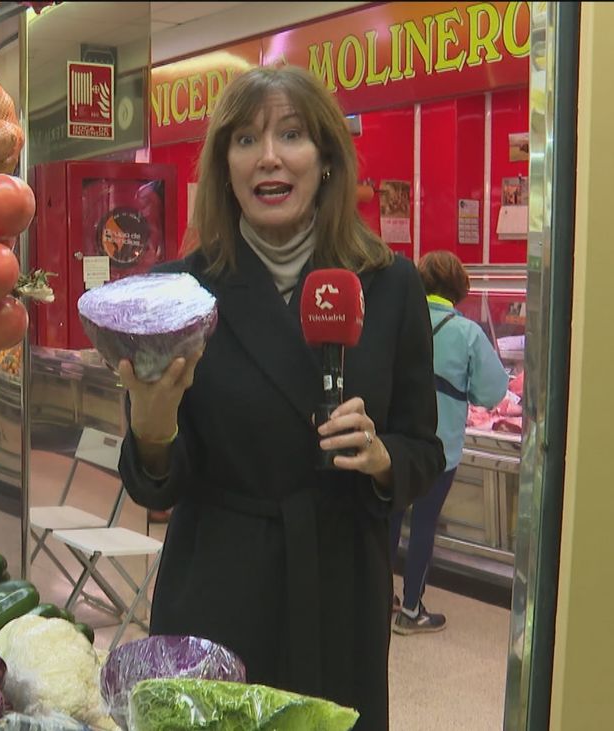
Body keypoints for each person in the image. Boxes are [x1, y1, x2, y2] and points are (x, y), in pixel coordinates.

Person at [118, 66, 443, 730]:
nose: (268, 156)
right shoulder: (177, 293)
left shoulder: (390, 285)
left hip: (340, 586)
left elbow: (424, 446)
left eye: (291, 135)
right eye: (245, 139)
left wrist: (382, 458)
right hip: (219, 585)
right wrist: (152, 434)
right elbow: (156, 484)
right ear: (224, 167)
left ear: (325, 159)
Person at [390, 251, 508, 634]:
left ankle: (378, 598)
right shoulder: (467, 332)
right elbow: (492, 392)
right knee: (424, 524)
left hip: (393, 441)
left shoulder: (399, 319)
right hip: (439, 447)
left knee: (389, 519)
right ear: (459, 288)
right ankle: (411, 611)